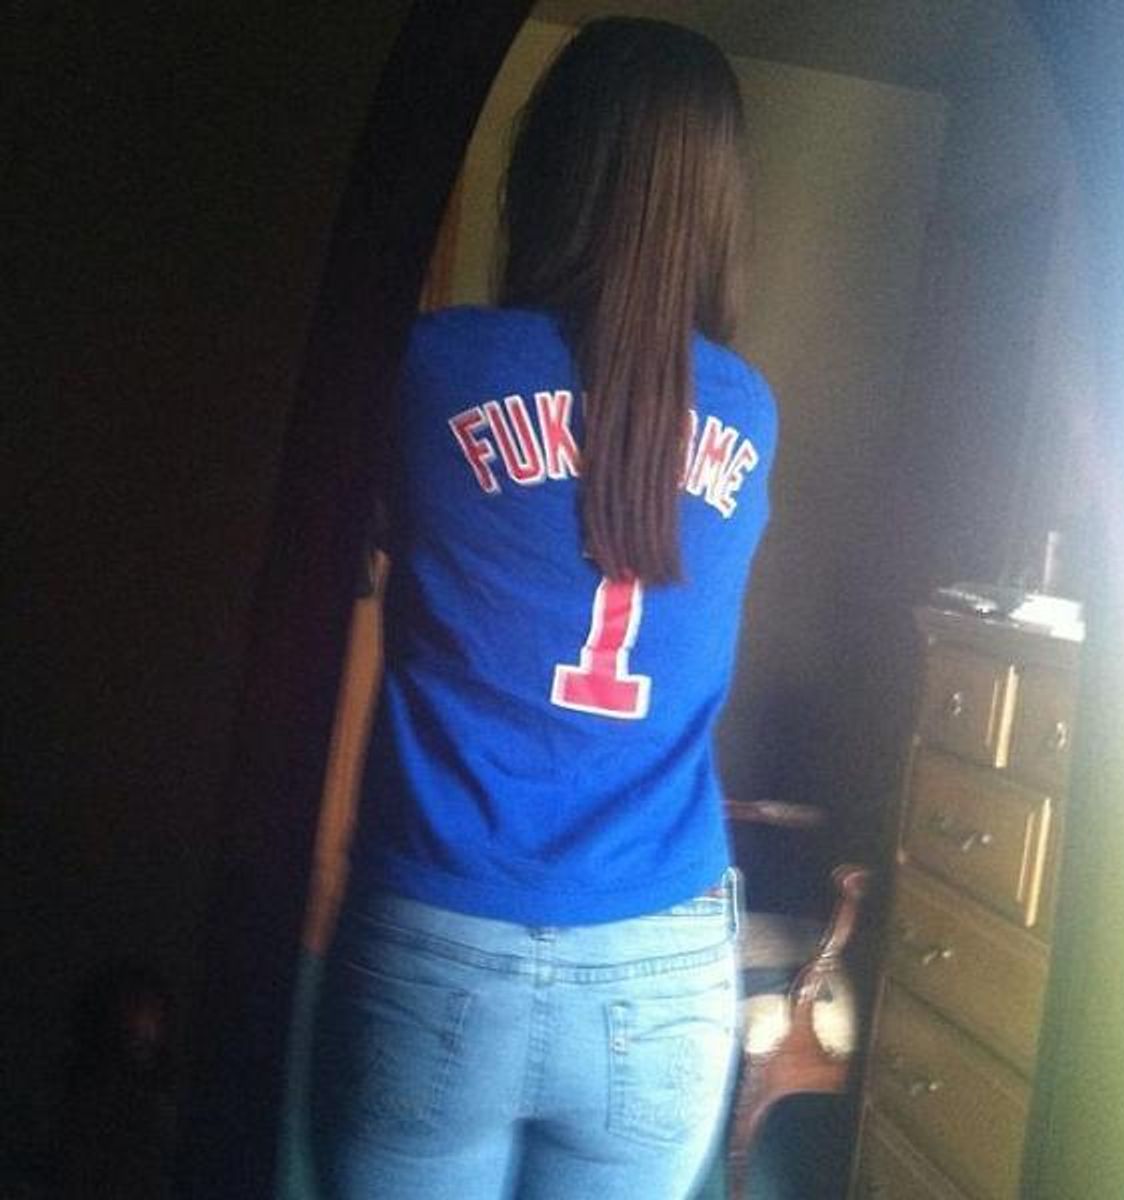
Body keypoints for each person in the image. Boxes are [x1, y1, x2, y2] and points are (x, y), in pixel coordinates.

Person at [309, 17, 777, 1199]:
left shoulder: (431, 367)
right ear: (721, 212)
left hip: (439, 925)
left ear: (548, 176)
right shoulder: (750, 415)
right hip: (663, 952)